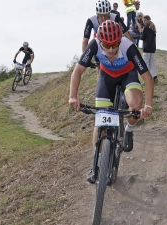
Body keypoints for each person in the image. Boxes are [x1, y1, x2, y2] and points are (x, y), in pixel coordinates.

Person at [69, 20, 154, 183]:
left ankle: (128, 130)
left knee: (135, 106)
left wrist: (148, 106)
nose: (110, 49)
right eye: (106, 45)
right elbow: (78, 70)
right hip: (106, 77)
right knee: (100, 121)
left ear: (119, 40)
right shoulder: (94, 44)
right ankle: (97, 164)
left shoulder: (128, 46)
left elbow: (147, 77)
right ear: (100, 41)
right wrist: (72, 96)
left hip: (127, 75)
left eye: (114, 44)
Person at [83, 0, 133, 74]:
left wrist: (133, 51)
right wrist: (86, 59)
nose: (104, 18)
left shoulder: (115, 17)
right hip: (101, 44)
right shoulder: (91, 20)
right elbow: (85, 40)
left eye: (106, 15)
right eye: (100, 15)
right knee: (100, 71)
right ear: (97, 14)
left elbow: (127, 34)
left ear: (110, 13)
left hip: (114, 44)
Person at [137, 15, 158, 83]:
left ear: (148, 20)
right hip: (152, 48)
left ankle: (148, 79)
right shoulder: (153, 28)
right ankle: (155, 77)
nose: (144, 22)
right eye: (143, 20)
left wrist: (141, 32)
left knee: (146, 64)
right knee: (151, 63)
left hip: (147, 48)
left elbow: (142, 38)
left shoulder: (146, 28)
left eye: (145, 20)